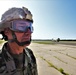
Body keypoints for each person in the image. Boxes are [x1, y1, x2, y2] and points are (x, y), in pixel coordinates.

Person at [0, 7, 38, 75]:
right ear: (6, 31)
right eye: (21, 26)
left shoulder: (30, 54)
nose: (29, 32)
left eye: (30, 27)